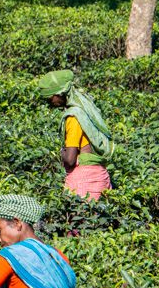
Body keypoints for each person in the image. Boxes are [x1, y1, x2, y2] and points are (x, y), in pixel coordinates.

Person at [37, 69, 114, 200]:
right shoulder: (86, 109)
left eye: (50, 97)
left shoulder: (73, 117)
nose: (49, 102)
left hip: (84, 180)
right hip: (101, 176)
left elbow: (70, 159)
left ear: (60, 93)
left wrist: (62, 152)